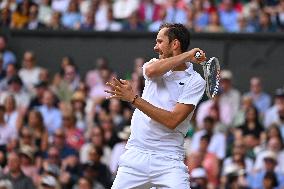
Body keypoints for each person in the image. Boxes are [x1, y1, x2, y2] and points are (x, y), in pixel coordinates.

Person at [106, 23, 206, 189]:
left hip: (169, 160)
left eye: (160, 42)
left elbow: (172, 120)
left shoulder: (195, 81)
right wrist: (187, 55)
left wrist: (134, 99)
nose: (155, 47)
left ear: (175, 44)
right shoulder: (153, 65)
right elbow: (151, 71)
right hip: (136, 156)